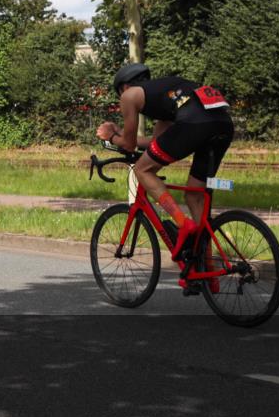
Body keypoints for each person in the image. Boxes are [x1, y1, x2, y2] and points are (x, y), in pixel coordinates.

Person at [96, 63, 234, 273]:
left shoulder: (128, 96)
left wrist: (112, 135)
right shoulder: (166, 92)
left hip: (194, 124)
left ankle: (182, 223)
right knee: (194, 196)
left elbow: (129, 145)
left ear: (124, 87)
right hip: (222, 124)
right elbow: (156, 143)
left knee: (143, 170)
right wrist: (122, 137)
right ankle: (208, 270)